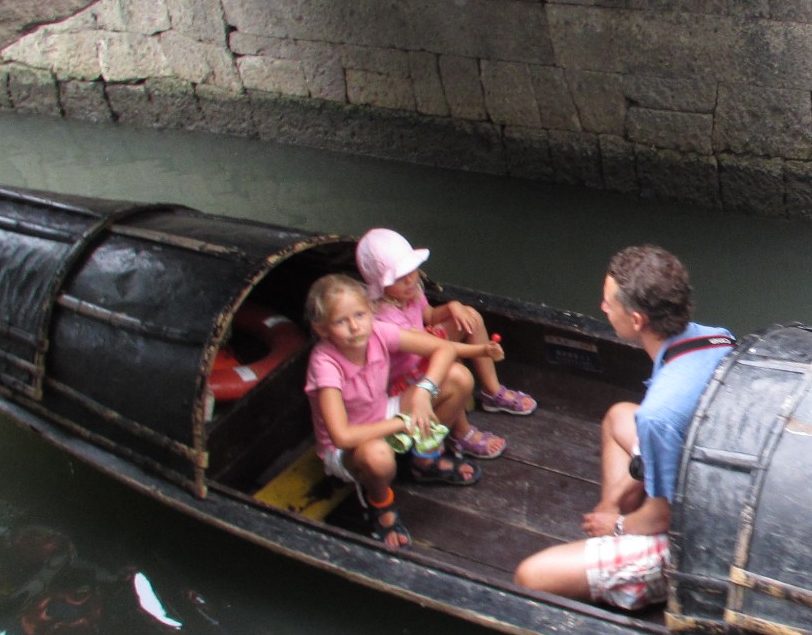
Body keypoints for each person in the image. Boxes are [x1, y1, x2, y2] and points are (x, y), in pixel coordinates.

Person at [514, 246, 732, 609]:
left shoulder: (658, 415)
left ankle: (623, 551)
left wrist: (616, 526)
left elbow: (662, 517)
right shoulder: (717, 337)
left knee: (530, 576)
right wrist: (612, 504)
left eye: (608, 303)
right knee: (619, 415)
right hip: (709, 469)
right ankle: (613, 524)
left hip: (701, 533)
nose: (602, 308)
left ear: (636, 320)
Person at [303, 272, 481, 550]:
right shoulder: (325, 363)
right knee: (378, 455)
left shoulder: (377, 332)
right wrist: (404, 422)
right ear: (322, 329)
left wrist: (425, 390)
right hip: (350, 446)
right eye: (341, 321)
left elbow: (443, 349)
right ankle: (379, 501)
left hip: (385, 411)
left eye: (360, 315)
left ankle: (424, 459)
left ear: (371, 311)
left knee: (458, 379)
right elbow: (342, 436)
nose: (354, 327)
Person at [355, 227, 535, 463]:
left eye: (411, 271)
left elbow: (428, 315)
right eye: (399, 277)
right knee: (450, 370)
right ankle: (459, 433)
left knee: (469, 317)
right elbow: (430, 346)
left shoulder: (411, 292)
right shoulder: (385, 316)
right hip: (406, 376)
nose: (410, 279)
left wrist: (452, 307)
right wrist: (482, 350)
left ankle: (492, 392)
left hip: (425, 353)